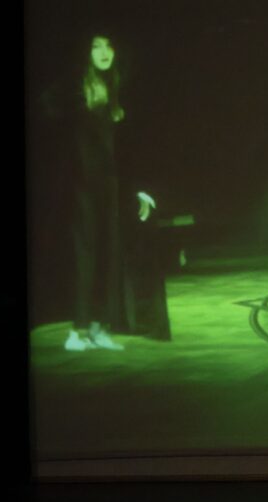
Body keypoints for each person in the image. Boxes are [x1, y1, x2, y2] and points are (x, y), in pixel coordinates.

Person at [65, 34, 161, 351]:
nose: (104, 52)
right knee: (86, 254)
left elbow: (126, 149)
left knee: (108, 255)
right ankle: (76, 331)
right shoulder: (77, 91)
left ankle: (97, 327)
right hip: (83, 188)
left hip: (111, 188)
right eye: (96, 46)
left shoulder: (117, 90)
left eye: (109, 45)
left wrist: (139, 190)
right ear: (85, 53)